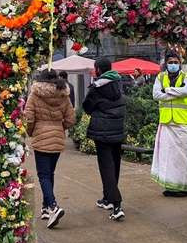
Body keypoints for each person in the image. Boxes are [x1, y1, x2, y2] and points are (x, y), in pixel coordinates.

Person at [24, 69, 76, 229]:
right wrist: (60, 128)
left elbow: (29, 117)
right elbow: (70, 118)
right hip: (57, 137)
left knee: (43, 175)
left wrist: (31, 132)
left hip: (41, 137)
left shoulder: (35, 94)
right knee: (49, 173)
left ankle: (53, 206)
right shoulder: (63, 94)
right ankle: (46, 207)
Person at [82, 57, 127, 221]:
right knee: (115, 165)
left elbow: (86, 106)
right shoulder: (119, 84)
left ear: (99, 70)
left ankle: (116, 204)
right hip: (117, 130)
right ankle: (108, 198)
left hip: (102, 132)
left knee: (106, 167)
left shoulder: (96, 88)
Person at [151, 51, 187, 197]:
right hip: (166, 123)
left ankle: (186, 187)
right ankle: (170, 186)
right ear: (166, 63)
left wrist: (168, 90)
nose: (173, 65)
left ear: (180, 63)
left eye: (176, 62)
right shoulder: (160, 77)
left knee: (185, 157)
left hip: (182, 122)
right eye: (170, 62)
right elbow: (156, 95)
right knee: (168, 157)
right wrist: (177, 92)